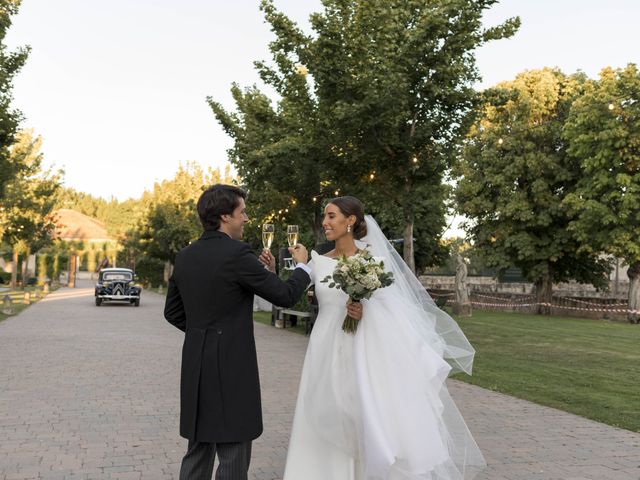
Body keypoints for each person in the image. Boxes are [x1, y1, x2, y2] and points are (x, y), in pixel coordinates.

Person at [268, 196, 486, 480]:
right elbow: (286, 292)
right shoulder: (317, 262)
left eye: (331, 216)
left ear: (351, 221)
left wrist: (362, 308)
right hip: (324, 349)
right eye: (325, 216)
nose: (325, 223)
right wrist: (274, 266)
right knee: (326, 412)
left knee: (360, 415)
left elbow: (391, 310)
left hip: (361, 352)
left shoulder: (374, 261)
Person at [164, 184, 311, 480]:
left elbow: (173, 313)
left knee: (198, 447)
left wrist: (202, 333)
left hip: (196, 364)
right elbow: (284, 296)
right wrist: (303, 268)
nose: (246, 219)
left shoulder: (185, 256)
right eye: (242, 213)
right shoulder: (238, 254)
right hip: (231, 365)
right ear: (224, 216)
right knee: (233, 449)